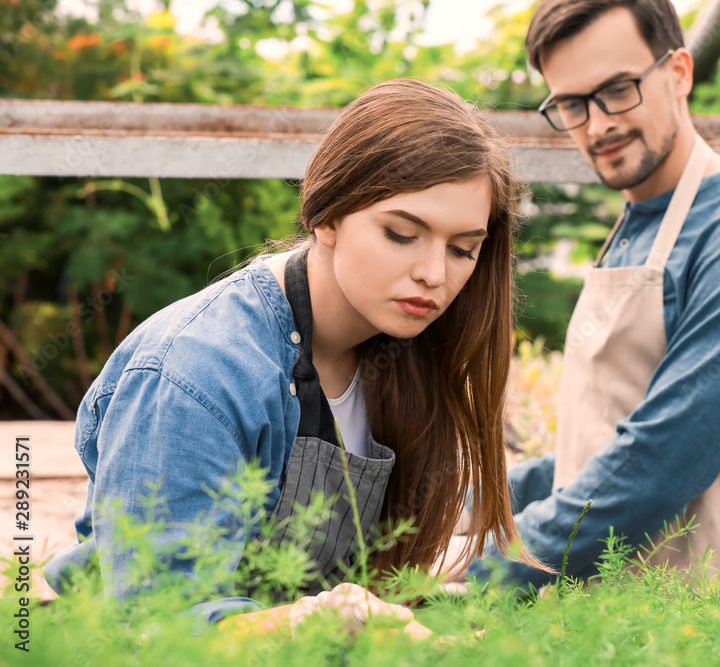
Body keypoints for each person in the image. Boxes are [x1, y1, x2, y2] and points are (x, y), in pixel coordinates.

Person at [44, 78, 547, 628]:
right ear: (326, 216)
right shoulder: (194, 373)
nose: (434, 274)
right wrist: (319, 625)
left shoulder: (410, 352)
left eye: (462, 249)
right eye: (402, 234)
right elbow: (157, 625)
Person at [457, 0, 720, 589]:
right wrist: (456, 506)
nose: (598, 124)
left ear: (679, 72)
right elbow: (601, 446)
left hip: (706, 613)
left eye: (618, 89)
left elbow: (660, 460)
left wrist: (478, 574)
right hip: (606, 610)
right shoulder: (634, 229)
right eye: (572, 104)